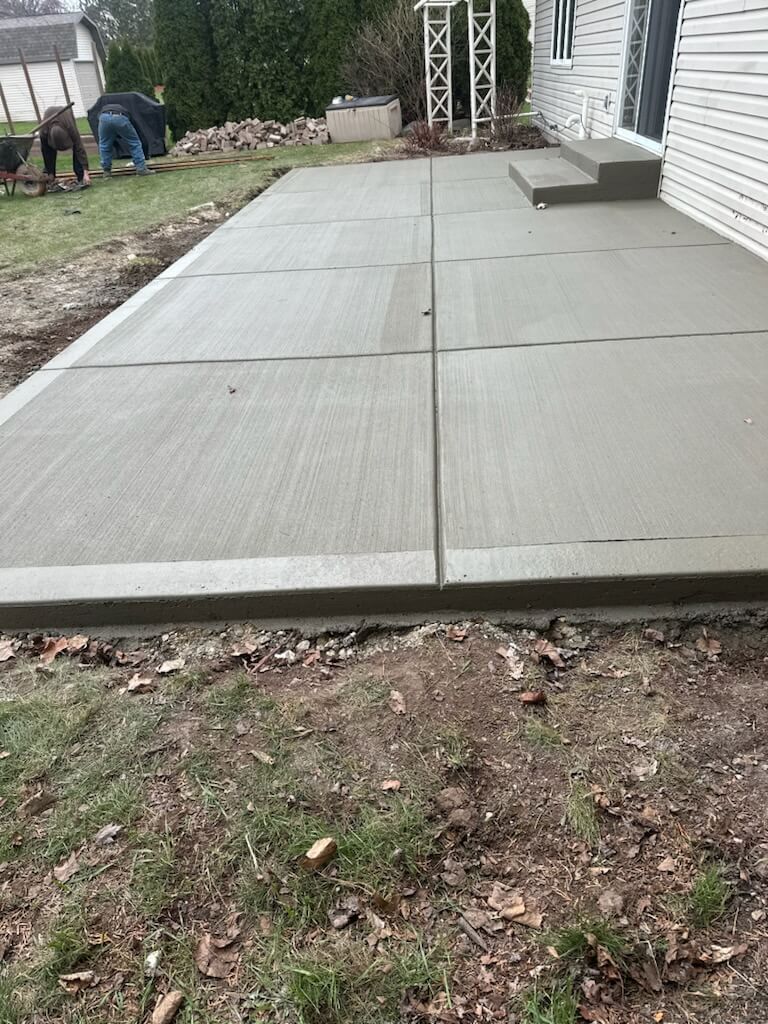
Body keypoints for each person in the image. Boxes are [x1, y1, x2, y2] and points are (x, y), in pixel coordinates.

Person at [39, 106, 91, 190]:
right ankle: (50, 176)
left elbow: (79, 147)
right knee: (48, 152)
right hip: (49, 126)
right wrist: (50, 173)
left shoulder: (70, 128)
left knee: (76, 147)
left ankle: (81, 175)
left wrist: (86, 173)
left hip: (66, 115)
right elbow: (46, 153)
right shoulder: (43, 132)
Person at [97, 102, 155, 177]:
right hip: (120, 117)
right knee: (134, 143)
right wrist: (146, 154)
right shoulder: (128, 115)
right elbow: (140, 135)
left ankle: (106, 172)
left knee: (104, 145)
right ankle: (141, 169)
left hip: (103, 118)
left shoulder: (102, 111)